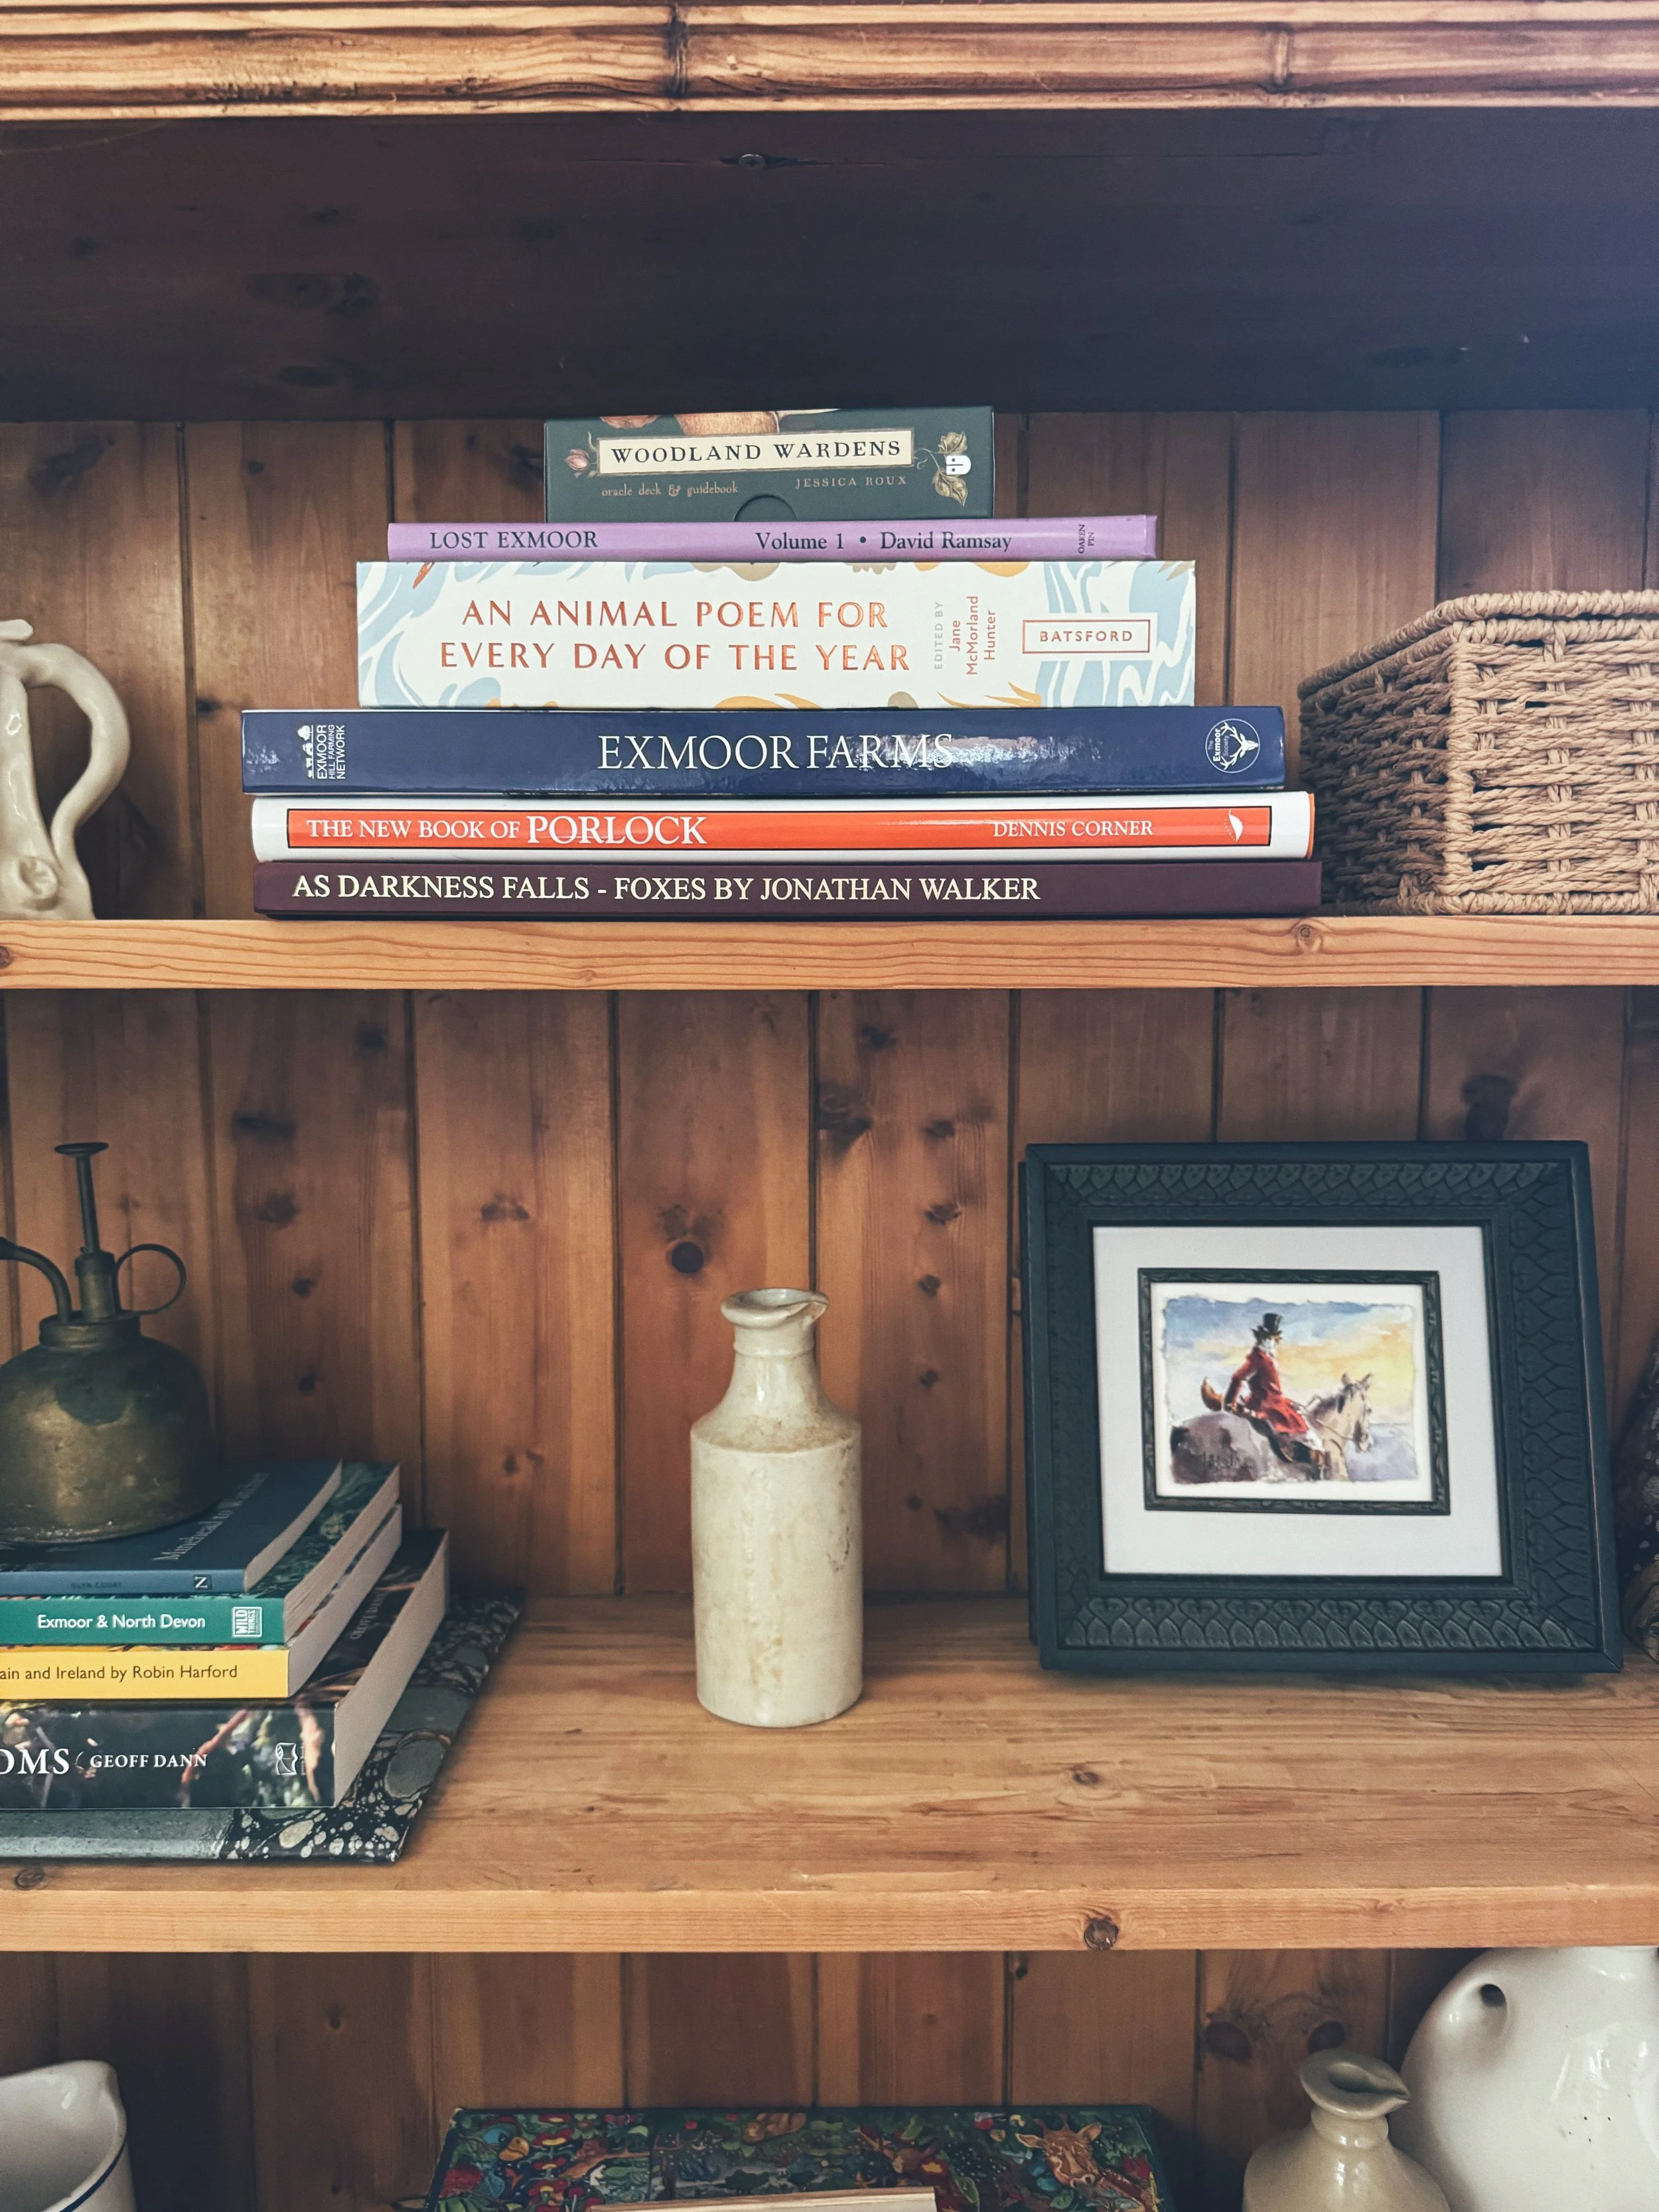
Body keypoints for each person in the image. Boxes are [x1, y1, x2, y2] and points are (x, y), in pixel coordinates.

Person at [1220, 1313, 1327, 1474]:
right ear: (1261, 1339)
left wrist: (1288, 1401)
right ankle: (1302, 1464)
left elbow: (1272, 1389)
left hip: (1275, 1401)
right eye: (1267, 1338)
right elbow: (1238, 1377)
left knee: (1301, 1415)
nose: (1271, 1342)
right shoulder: (1258, 1359)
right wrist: (1230, 1402)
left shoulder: (1267, 1357)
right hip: (1265, 1405)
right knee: (1304, 1432)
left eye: (1273, 1338)